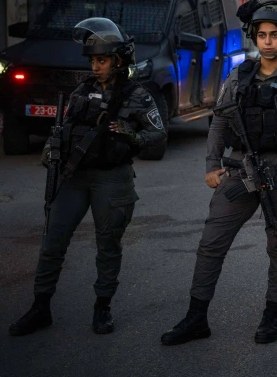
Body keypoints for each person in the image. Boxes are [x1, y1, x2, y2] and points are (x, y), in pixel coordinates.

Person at [160, 0, 277, 346]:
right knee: (211, 243)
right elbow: (218, 122)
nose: (267, 42)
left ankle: (272, 317)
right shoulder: (238, 76)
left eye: (274, 35)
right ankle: (196, 317)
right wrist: (211, 165)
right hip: (243, 167)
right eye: (261, 35)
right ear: (254, 36)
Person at [9, 18, 166, 337]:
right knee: (52, 242)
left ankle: (102, 308)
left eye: (102, 60)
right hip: (74, 176)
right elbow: (66, 128)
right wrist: (54, 148)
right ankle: (41, 307)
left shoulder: (136, 95)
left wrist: (134, 137)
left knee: (108, 245)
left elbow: (158, 133)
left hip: (112, 179)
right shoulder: (82, 90)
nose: (96, 66)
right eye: (93, 60)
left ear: (119, 60)